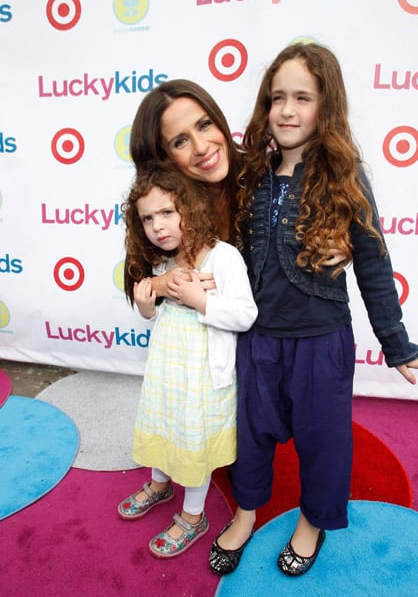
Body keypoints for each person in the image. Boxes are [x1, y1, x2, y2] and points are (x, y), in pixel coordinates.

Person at [208, 42, 418, 577]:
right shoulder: (250, 176)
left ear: (326, 107)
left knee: (323, 439)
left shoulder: (345, 178)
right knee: (249, 434)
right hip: (256, 339)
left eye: (303, 97)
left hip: (321, 341)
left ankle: (314, 520)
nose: (287, 110)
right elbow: (226, 245)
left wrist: (398, 345)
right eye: (277, 97)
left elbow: (373, 264)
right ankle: (247, 510)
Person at [117, 163, 258, 559]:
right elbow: (155, 315)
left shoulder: (224, 257)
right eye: (147, 218)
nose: (158, 226)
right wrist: (147, 306)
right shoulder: (161, 263)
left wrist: (200, 301)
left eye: (167, 212)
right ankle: (160, 485)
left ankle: (193, 515)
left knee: (193, 439)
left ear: (189, 210)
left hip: (203, 379)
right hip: (167, 374)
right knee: (164, 426)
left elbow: (246, 315)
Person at [124, 78, 345, 301]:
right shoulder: (164, 202)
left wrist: (336, 240)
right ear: (163, 158)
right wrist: (161, 284)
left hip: (271, 329)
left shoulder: (266, 175)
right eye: (180, 142)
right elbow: (135, 278)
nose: (201, 147)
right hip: (206, 334)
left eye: (204, 125)